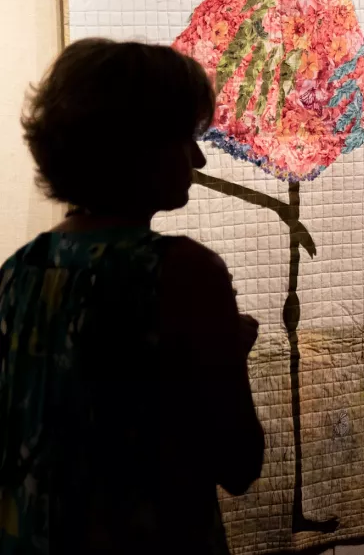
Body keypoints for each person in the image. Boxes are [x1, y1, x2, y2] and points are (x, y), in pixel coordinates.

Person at [0, 39, 264, 554]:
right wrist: (228, 351)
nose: (199, 157)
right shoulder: (182, 271)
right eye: (184, 137)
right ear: (136, 146)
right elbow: (239, 463)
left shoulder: (18, 271)